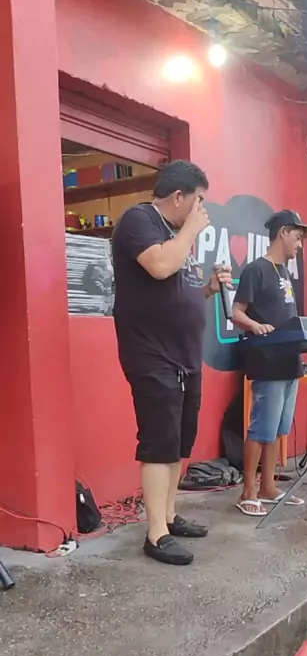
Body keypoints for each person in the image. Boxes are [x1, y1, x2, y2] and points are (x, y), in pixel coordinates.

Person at [112, 160, 232, 566]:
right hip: (152, 353)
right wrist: (191, 230)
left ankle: (168, 515)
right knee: (159, 442)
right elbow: (161, 266)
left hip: (185, 354)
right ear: (178, 196)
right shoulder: (139, 220)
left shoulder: (177, 236)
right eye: (199, 200)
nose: (202, 209)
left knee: (180, 441)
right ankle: (155, 534)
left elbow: (181, 288)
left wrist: (209, 288)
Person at [232, 209, 307, 517]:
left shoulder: (284, 272)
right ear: (282, 233)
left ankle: (268, 486)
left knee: (279, 428)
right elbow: (236, 312)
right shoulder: (257, 269)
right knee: (262, 428)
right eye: (297, 237)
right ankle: (248, 491)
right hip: (267, 361)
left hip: (289, 361)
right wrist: (255, 325)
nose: (300, 244)